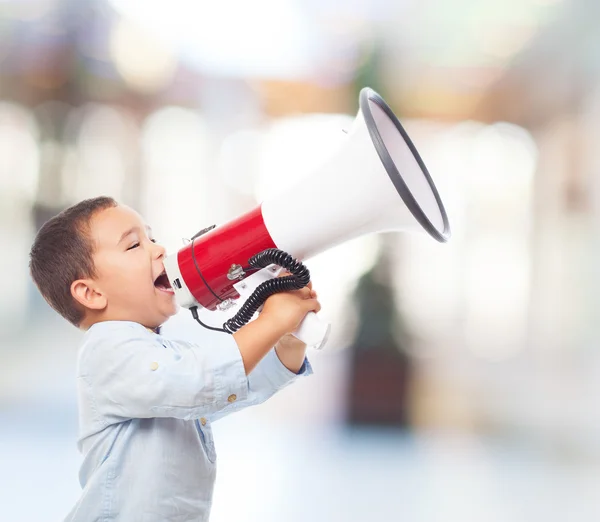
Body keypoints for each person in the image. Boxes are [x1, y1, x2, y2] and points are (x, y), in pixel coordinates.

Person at [29, 196, 320, 522]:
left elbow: (235, 385)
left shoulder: (161, 353)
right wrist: (270, 322)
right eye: (134, 245)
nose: (158, 250)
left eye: (152, 238)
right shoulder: (107, 352)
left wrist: (287, 340)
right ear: (92, 293)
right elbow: (203, 381)